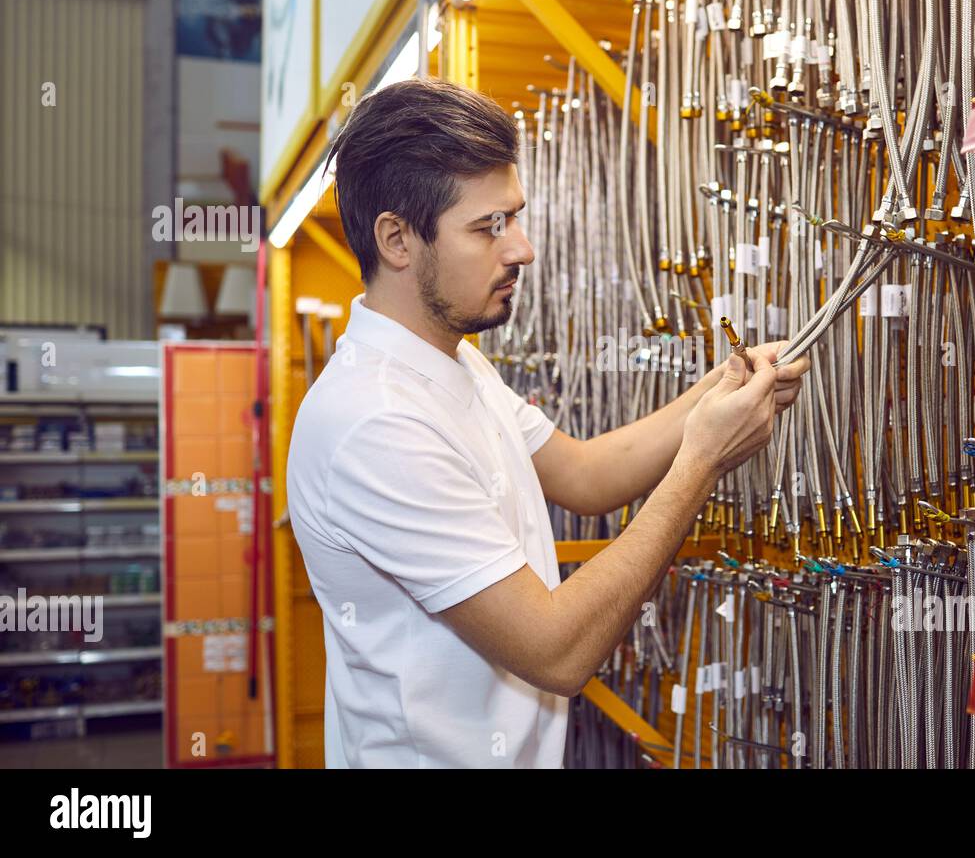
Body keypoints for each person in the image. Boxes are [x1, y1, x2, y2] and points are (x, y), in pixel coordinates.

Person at [286, 77, 810, 768]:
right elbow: (556, 648)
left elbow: (587, 474)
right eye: (488, 227)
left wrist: (719, 388)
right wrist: (704, 460)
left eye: (515, 217)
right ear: (397, 239)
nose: (522, 250)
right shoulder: (374, 422)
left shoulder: (455, 365)